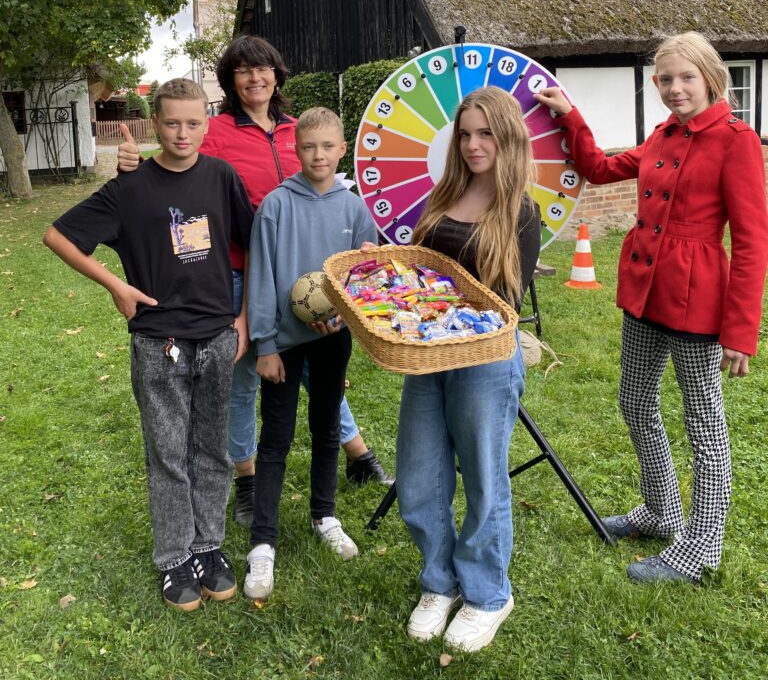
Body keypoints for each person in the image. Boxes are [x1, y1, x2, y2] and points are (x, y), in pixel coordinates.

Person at [117, 36, 392, 528]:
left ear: (276, 74)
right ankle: (246, 479)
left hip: (307, 276)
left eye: (262, 68)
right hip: (241, 273)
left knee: (316, 366)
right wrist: (133, 167)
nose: (254, 78)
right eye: (242, 70)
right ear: (230, 80)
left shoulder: (297, 129)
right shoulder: (217, 130)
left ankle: (357, 454)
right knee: (244, 377)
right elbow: (177, 164)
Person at [535, 32, 768, 585]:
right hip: (644, 292)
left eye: (685, 77)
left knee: (704, 425)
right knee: (635, 401)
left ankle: (701, 548)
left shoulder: (736, 141)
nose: (673, 88)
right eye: (664, 79)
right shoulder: (662, 134)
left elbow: (753, 242)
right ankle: (663, 512)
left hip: (697, 303)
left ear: (711, 77)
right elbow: (597, 167)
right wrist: (571, 115)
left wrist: (741, 331)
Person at [44, 79, 254, 611]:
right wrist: (116, 286)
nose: (182, 134)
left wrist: (246, 320)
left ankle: (208, 546)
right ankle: (173, 558)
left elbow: (254, 247)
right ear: (152, 124)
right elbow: (59, 236)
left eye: (193, 123)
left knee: (211, 448)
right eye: (171, 123)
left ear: (206, 126)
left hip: (217, 335)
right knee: (168, 453)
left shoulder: (221, 177)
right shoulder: (130, 188)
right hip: (157, 343)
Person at [397, 86, 540, 653]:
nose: (475, 144)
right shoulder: (444, 194)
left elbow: (502, 300)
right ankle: (439, 581)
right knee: (418, 474)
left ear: (506, 137)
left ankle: (487, 594)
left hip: (484, 360)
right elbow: (419, 272)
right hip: (427, 357)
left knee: (483, 479)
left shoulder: (519, 211)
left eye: (486, 133)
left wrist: (433, 301)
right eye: (466, 133)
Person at [242, 108, 378, 601]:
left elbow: (366, 280)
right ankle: (263, 542)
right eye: (307, 147)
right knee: (276, 438)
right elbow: (260, 277)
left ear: (342, 149)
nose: (317, 155)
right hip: (283, 344)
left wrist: (347, 309)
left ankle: (325, 514)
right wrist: (265, 345)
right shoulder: (277, 206)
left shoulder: (355, 209)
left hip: (331, 339)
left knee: (326, 429)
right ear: (293, 150)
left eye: (327, 146)